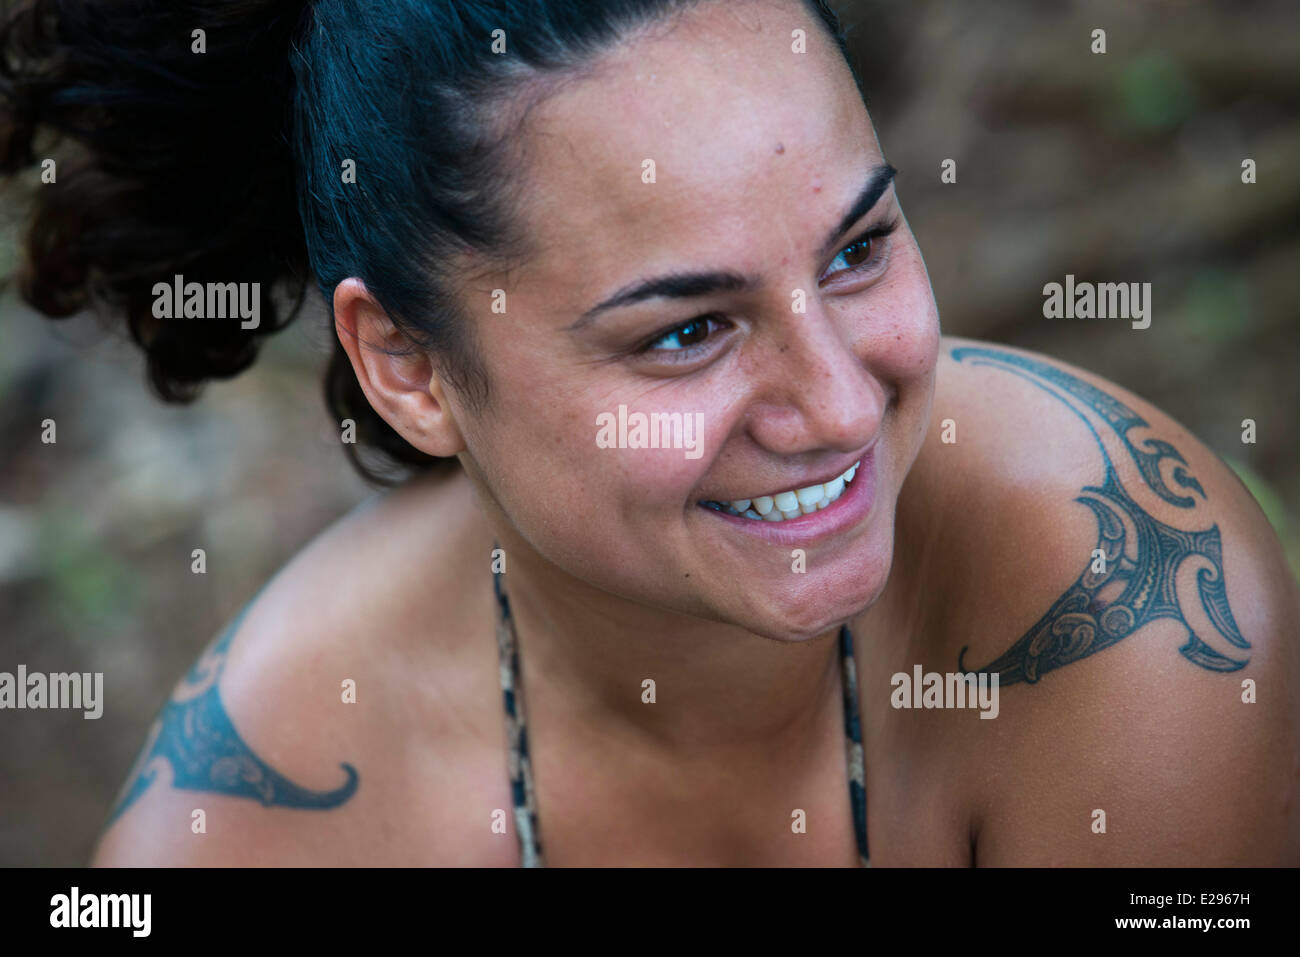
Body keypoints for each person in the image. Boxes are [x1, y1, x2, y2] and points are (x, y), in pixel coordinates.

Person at [4, 0, 1296, 866]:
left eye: (856, 252)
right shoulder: (245, 822)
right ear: (408, 366)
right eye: (687, 331)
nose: (845, 406)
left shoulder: (1141, 605)